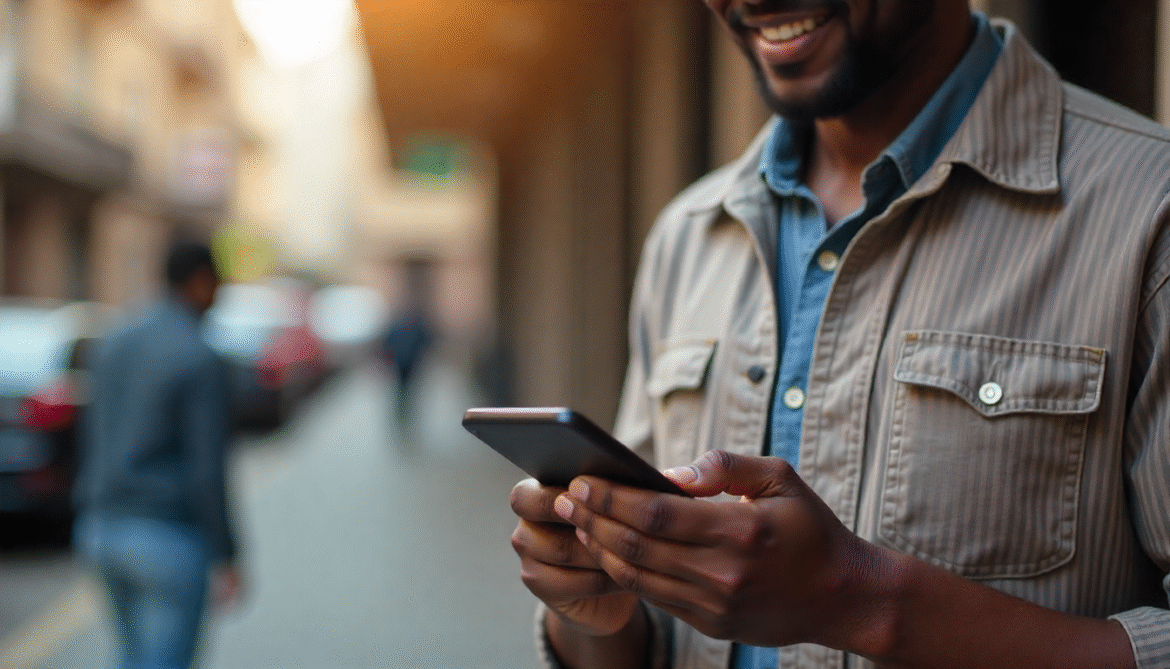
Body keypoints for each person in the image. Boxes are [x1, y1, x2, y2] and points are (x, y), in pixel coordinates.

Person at [509, 2, 1170, 668]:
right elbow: (649, 637)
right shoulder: (687, 238)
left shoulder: (1149, 214)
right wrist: (600, 617)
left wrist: (860, 602)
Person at [73, 241, 242, 669]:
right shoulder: (199, 356)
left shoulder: (113, 341)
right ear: (201, 281)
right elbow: (208, 470)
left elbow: (94, 433)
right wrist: (227, 553)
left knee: (133, 657)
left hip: (102, 528)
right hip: (167, 536)